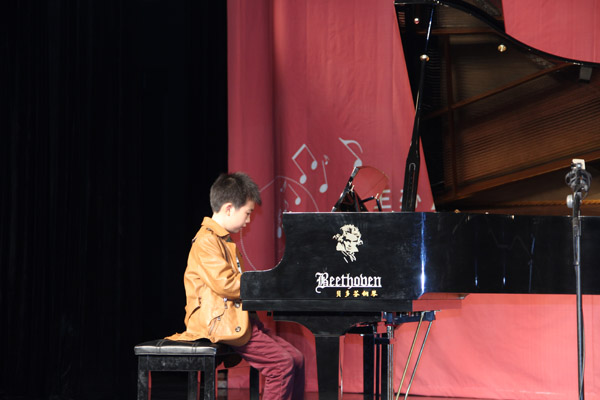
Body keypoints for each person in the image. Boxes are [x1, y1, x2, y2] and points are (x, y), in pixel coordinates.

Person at [167, 172, 305, 400]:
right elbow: (227, 284)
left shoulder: (223, 239)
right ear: (229, 208)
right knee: (281, 365)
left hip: (238, 318)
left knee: (296, 358)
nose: (248, 220)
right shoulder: (206, 241)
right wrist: (265, 285)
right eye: (247, 213)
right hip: (219, 323)